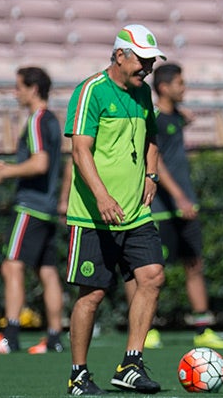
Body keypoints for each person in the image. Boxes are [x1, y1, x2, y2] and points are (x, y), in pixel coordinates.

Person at [63, 24, 166, 395]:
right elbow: (79, 150)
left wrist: (151, 174)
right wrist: (102, 197)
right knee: (92, 295)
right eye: (143, 60)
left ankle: (131, 364)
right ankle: (78, 375)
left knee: (152, 275)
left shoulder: (144, 95)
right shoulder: (91, 91)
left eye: (152, 62)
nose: (148, 68)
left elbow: (151, 138)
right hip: (92, 215)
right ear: (120, 55)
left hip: (135, 213)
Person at [131, 63, 223, 350]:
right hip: (162, 206)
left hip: (184, 206)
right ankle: (145, 329)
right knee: (148, 269)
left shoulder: (173, 116)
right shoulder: (155, 117)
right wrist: (179, 197)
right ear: (163, 87)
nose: (184, 88)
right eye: (180, 83)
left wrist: (183, 118)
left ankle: (203, 328)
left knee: (194, 265)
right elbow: (156, 160)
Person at [0, 67, 65, 355]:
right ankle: (55, 337)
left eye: (20, 87)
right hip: (46, 208)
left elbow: (40, 164)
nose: (15, 92)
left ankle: (10, 335)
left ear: (33, 89)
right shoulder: (51, 121)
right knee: (47, 272)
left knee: (11, 266)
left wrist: (5, 171)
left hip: (31, 206)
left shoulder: (37, 120)